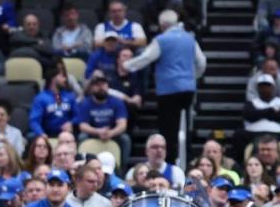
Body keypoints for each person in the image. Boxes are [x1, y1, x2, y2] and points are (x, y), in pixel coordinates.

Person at [124, 10, 206, 162]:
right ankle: (185, 157)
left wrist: (127, 65)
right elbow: (201, 61)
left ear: (162, 25)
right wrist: (193, 77)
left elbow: (147, 57)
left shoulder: (162, 40)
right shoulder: (190, 39)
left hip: (168, 89)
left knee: (168, 128)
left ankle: (170, 160)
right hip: (188, 88)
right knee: (184, 124)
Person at [76, 74, 131, 162]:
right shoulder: (85, 103)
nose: (101, 87)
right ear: (92, 88)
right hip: (93, 133)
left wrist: (111, 133)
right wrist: (98, 131)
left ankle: (123, 169)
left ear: (108, 86)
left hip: (112, 133)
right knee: (82, 137)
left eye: (103, 84)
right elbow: (83, 126)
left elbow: (122, 125)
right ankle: (82, 163)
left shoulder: (117, 102)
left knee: (125, 139)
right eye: (97, 85)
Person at [29, 68, 76, 138]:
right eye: (62, 76)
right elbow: (34, 121)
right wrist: (41, 134)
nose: (65, 80)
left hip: (67, 134)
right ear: (53, 78)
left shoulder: (70, 96)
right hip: (47, 134)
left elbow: (78, 116)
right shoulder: (41, 98)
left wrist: (71, 123)